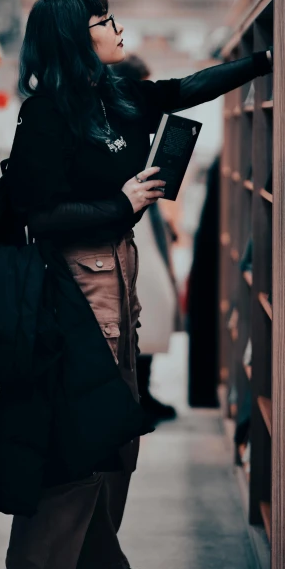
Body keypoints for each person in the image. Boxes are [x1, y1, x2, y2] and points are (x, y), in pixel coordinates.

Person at [0, 0, 272, 569]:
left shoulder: (116, 96)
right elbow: (40, 215)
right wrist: (123, 203)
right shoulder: (47, 115)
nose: (118, 27)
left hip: (121, 279)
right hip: (72, 288)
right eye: (102, 20)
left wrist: (264, 60)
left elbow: (188, 88)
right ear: (73, 37)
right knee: (78, 441)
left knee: (116, 440)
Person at [115, 54, 181, 422]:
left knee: (152, 308)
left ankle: (143, 392)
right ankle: (134, 397)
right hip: (127, 224)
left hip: (145, 223)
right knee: (140, 306)